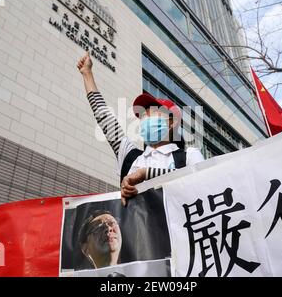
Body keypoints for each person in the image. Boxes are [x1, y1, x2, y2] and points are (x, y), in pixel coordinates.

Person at [77, 51, 205, 205]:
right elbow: (104, 116)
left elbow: (200, 184)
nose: (145, 120)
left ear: (171, 123)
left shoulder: (189, 156)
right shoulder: (130, 157)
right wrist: (87, 74)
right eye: (143, 116)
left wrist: (147, 174)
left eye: (153, 114)